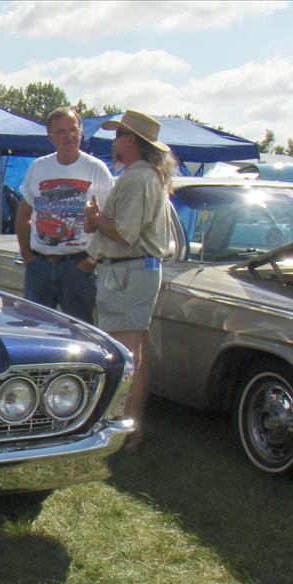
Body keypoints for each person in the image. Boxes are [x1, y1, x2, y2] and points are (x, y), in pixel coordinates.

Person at [83, 109, 176, 446]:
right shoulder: (148, 176)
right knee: (136, 351)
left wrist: (95, 218)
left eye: (119, 134)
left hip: (128, 272)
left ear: (132, 141)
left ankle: (123, 428)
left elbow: (125, 233)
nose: (115, 140)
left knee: (124, 353)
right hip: (135, 271)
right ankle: (130, 427)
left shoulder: (137, 178)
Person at [15, 107, 113, 323]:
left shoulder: (96, 169)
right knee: (34, 326)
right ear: (51, 137)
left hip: (78, 268)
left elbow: (108, 222)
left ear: (81, 133)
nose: (69, 136)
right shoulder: (39, 167)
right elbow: (23, 215)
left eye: (73, 130)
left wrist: (90, 261)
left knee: (79, 330)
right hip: (40, 267)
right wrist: (28, 257)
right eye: (61, 132)